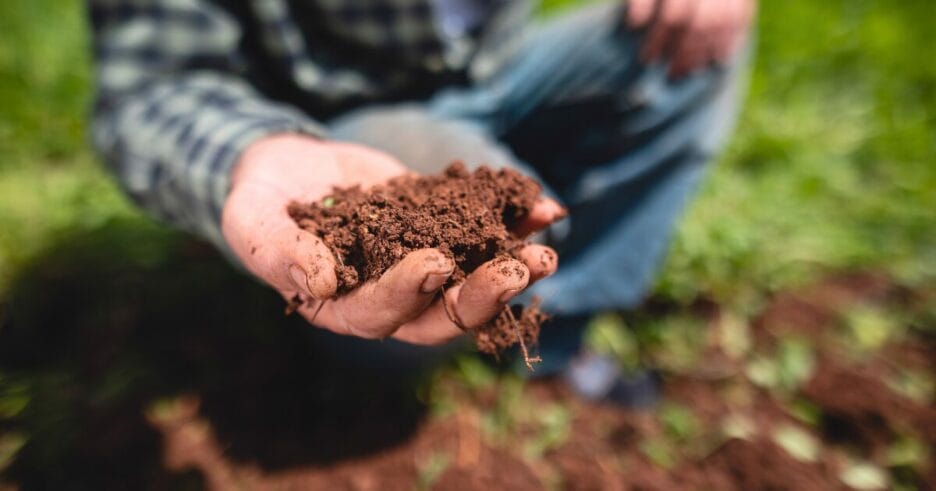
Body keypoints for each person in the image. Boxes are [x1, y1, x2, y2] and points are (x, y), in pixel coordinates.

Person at [89, 0, 754, 400]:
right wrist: (253, 150)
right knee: (428, 292)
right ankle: (329, 361)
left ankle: (556, 333)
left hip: (497, 68)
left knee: (695, 46)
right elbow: (150, 88)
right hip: (335, 123)